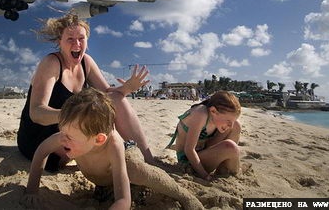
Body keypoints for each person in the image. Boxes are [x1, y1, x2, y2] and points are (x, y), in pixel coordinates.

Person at [23, 88, 204, 210]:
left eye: (68, 136)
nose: (61, 139)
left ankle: (183, 195)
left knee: (134, 169)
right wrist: (32, 189)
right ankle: (106, 188)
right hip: (104, 179)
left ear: (98, 139)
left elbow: (123, 201)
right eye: (61, 131)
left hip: (127, 152)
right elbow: (41, 151)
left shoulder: (113, 145)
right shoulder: (69, 134)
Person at [17, 12, 153, 173]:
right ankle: (116, 169)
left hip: (72, 132)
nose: (77, 44)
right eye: (70, 39)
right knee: (93, 130)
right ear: (59, 42)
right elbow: (36, 112)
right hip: (41, 140)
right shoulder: (51, 63)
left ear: (87, 40)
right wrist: (75, 116)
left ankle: (149, 161)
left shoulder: (86, 62)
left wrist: (127, 88)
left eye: (81, 38)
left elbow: (108, 94)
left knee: (117, 98)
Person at [166, 90, 242, 180]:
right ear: (213, 111)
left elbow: (232, 126)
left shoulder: (213, 116)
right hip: (189, 161)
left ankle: (225, 168)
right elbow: (189, 150)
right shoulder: (200, 113)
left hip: (203, 152)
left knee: (237, 126)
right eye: (228, 121)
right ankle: (232, 171)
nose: (230, 126)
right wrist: (204, 175)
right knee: (231, 147)